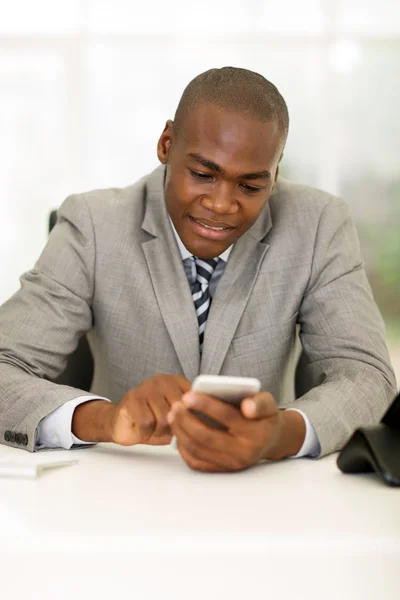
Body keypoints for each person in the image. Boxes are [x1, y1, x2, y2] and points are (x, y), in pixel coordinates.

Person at [0, 67, 396, 472]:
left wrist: (279, 434)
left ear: (274, 175)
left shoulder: (318, 225)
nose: (222, 204)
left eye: (250, 186)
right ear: (167, 144)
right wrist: (108, 419)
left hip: (264, 489)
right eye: (203, 175)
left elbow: (368, 377)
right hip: (119, 490)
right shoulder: (93, 225)